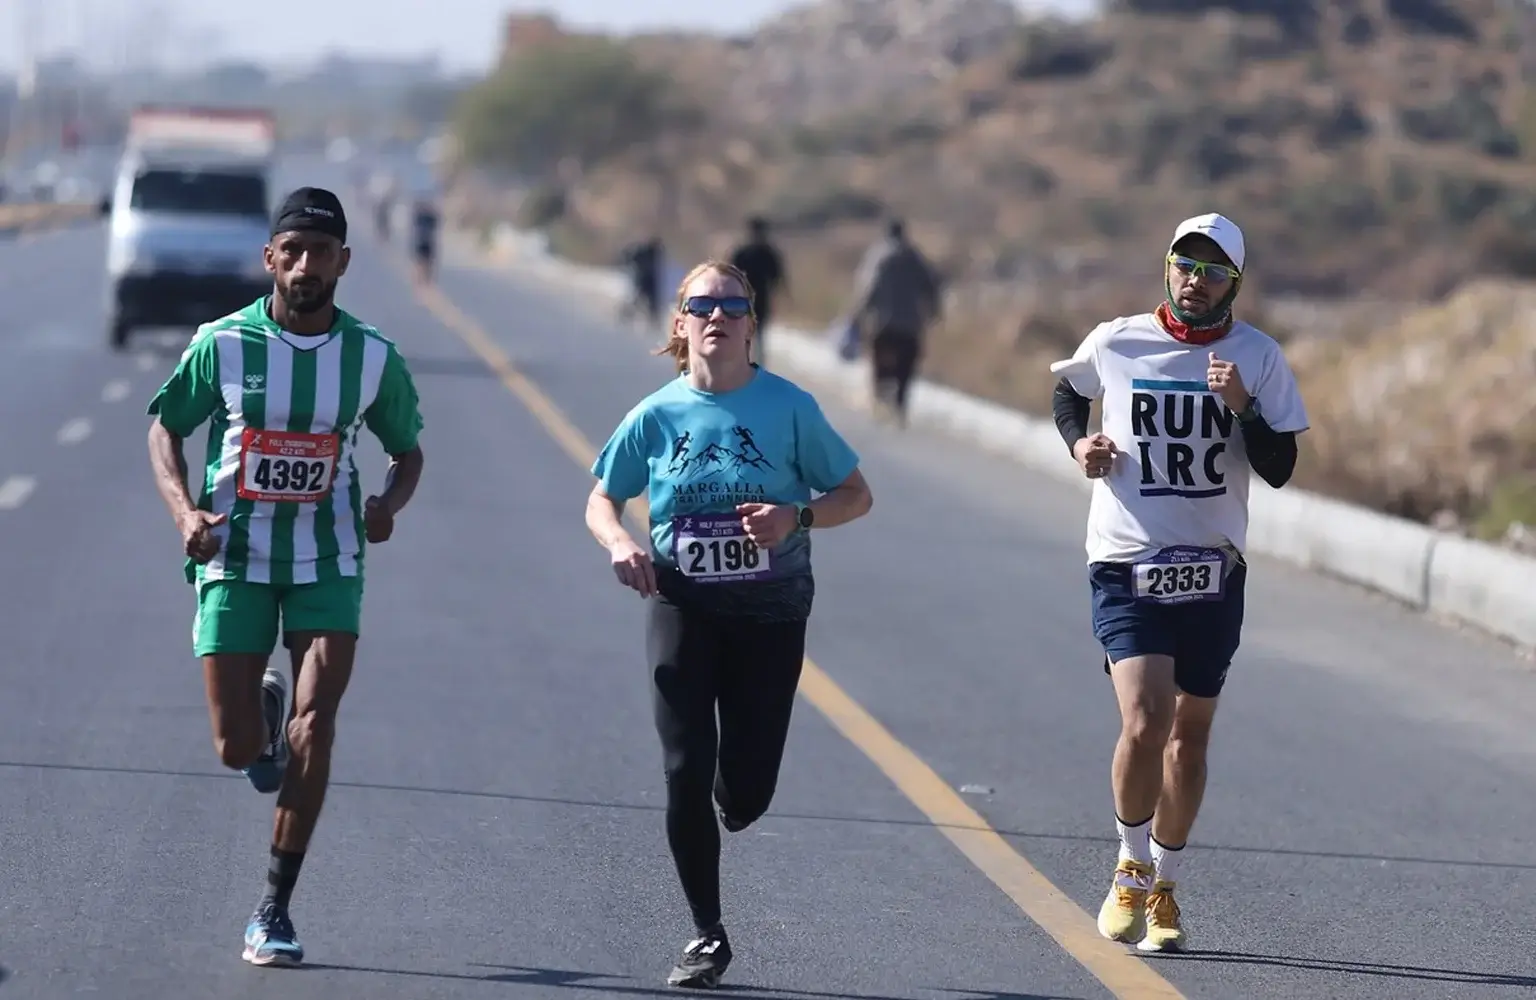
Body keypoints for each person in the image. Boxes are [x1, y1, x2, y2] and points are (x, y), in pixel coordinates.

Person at [145, 186, 425, 968]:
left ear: (343, 261)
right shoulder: (225, 343)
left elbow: (407, 452)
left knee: (318, 724)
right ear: (270, 258)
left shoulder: (372, 356)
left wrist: (387, 505)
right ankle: (261, 716)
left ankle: (274, 908)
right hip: (233, 556)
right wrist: (183, 515)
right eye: (291, 251)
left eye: (320, 252)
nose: (305, 265)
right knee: (238, 748)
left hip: (329, 559)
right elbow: (167, 428)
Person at [585, 259, 873, 988]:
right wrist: (620, 543)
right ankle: (706, 933)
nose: (718, 317)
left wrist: (797, 514)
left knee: (744, 792)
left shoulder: (789, 407)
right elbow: (601, 499)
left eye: (733, 306)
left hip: (772, 613)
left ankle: (736, 794)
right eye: (702, 305)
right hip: (682, 603)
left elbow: (855, 494)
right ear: (679, 324)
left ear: (752, 324)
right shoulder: (653, 416)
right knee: (683, 770)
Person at [1049, 213, 1308, 953]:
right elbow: (1069, 393)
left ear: (1235, 283)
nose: (1195, 281)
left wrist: (1245, 410)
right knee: (1143, 719)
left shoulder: (1257, 358)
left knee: (1188, 742)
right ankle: (1129, 865)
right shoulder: (1117, 339)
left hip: (1212, 569)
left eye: (1213, 271)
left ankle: (1164, 883)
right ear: (1167, 268)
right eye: (1185, 266)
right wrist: (1081, 444)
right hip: (1127, 559)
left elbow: (1282, 468)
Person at [846, 218, 941, 426]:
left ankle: (880, 398)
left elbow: (868, 287)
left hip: (883, 322)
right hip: (910, 324)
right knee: (907, 365)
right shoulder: (915, 258)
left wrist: (857, 314)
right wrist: (933, 312)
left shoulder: (878, 257)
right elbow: (932, 286)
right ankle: (900, 404)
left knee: (877, 359)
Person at [727, 216, 787, 366]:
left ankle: (745, 364)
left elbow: (730, 275)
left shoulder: (743, 252)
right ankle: (755, 365)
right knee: (757, 334)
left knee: (746, 333)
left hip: (743, 299)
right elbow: (777, 278)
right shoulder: (767, 252)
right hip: (758, 298)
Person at [410, 196, 440, 284]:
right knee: (425, 260)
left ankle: (422, 277)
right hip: (426, 241)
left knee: (423, 260)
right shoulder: (428, 217)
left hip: (424, 241)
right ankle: (422, 277)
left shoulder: (421, 216)